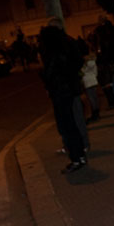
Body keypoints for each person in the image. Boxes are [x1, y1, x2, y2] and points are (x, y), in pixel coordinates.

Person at [38, 17, 88, 174]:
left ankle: (76, 156)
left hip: (60, 90)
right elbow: (78, 61)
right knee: (73, 122)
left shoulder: (52, 48)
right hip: (70, 87)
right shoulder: (68, 42)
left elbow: (51, 71)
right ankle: (79, 154)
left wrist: (47, 79)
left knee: (66, 124)